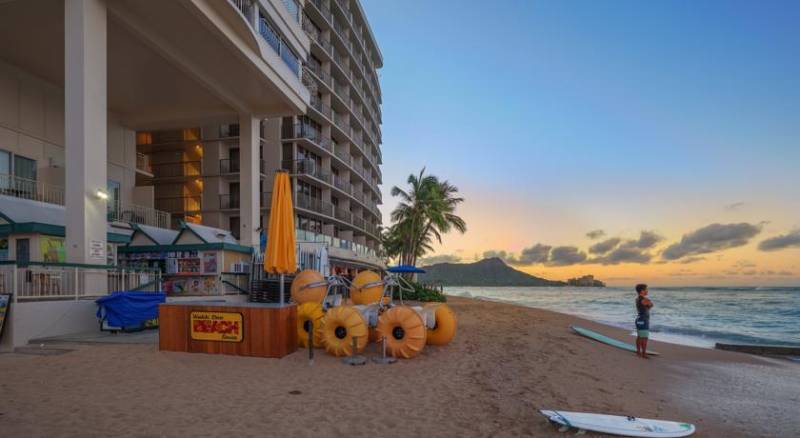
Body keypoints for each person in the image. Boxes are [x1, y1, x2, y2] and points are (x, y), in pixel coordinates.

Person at [635, 283, 653, 358]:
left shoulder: (637, 298)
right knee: (644, 338)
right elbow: (651, 305)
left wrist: (649, 304)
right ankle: (644, 353)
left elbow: (648, 306)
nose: (647, 291)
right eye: (646, 289)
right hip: (643, 320)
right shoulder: (644, 299)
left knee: (639, 336)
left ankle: (638, 352)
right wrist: (649, 303)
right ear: (642, 291)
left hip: (638, 319)